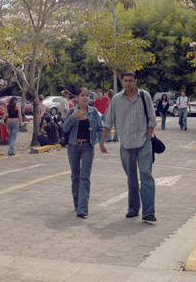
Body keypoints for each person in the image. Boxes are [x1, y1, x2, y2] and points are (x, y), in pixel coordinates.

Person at [100, 70, 157, 223]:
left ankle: (148, 212)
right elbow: (109, 121)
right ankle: (133, 209)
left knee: (146, 175)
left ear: (135, 81)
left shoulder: (144, 96)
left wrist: (149, 138)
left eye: (131, 80)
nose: (128, 83)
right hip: (126, 144)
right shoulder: (117, 100)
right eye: (126, 80)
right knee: (131, 178)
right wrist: (102, 141)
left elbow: (152, 119)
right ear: (122, 82)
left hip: (143, 142)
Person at [63, 88, 103, 218]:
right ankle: (77, 204)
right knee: (75, 177)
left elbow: (100, 128)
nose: (85, 98)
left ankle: (83, 209)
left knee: (85, 177)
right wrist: (72, 118)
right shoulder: (71, 111)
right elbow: (65, 128)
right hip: (73, 146)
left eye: (87, 95)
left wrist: (99, 141)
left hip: (88, 147)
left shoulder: (94, 112)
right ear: (77, 97)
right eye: (82, 95)